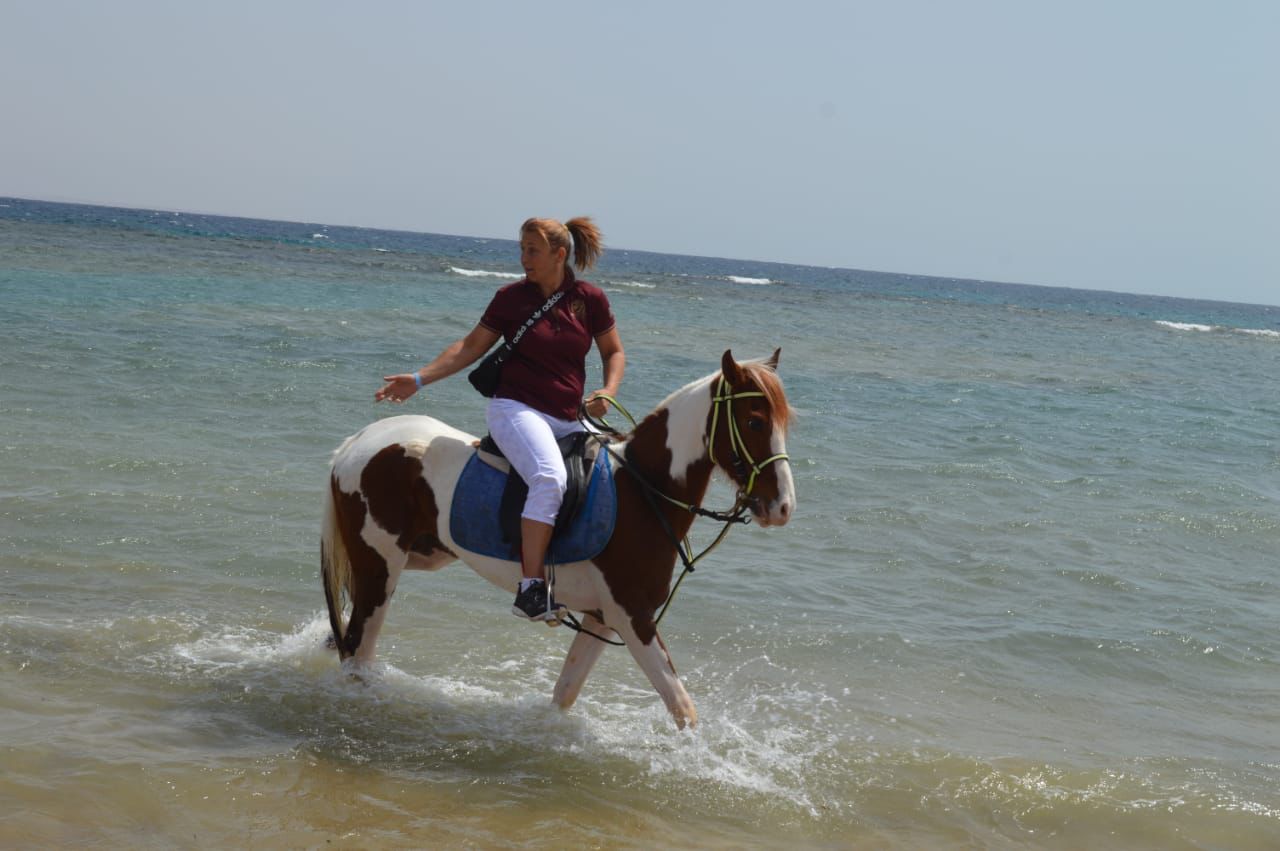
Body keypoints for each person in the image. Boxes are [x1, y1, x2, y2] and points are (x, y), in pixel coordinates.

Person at [375, 216, 624, 621]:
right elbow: (469, 346)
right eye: (522, 249)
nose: (524, 258)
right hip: (516, 409)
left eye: (532, 250)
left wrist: (607, 391)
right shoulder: (511, 298)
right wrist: (419, 379)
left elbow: (613, 352)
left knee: (615, 474)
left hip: (569, 416)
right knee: (549, 478)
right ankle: (530, 589)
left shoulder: (589, 299)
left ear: (559, 254)